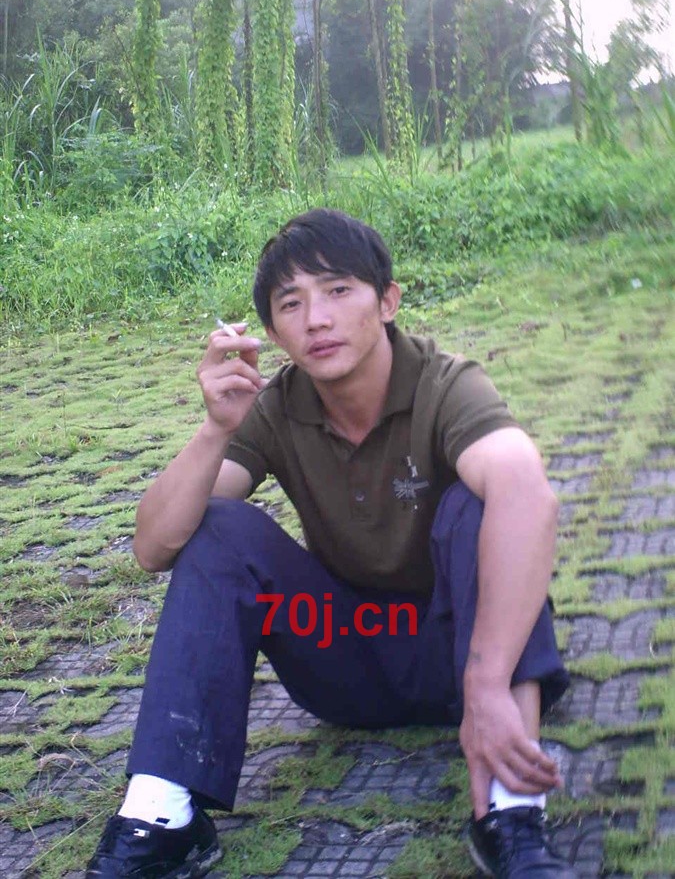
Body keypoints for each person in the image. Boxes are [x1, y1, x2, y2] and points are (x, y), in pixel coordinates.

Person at [86, 209, 577, 879]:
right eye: (291, 303)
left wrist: (486, 685)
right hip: (350, 661)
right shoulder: (276, 406)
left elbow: (528, 494)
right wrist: (214, 430)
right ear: (272, 332)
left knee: (481, 502)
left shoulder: (444, 383)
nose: (316, 319)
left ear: (387, 301)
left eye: (338, 290)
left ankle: (510, 813)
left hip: (461, 652)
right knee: (219, 526)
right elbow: (153, 547)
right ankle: (161, 814)